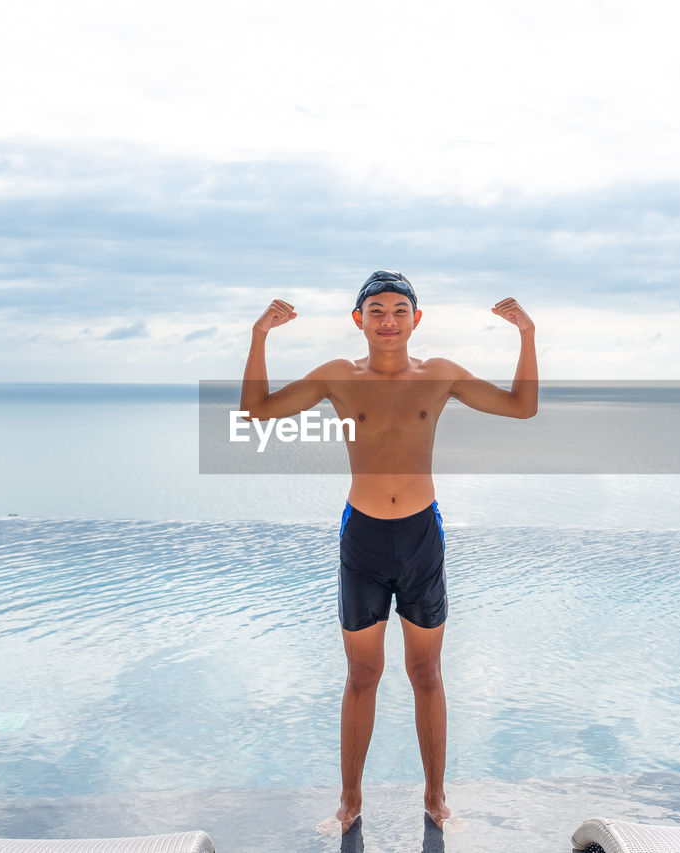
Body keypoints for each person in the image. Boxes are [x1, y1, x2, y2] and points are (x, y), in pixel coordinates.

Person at [238, 270, 537, 835]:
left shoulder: (441, 375)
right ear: (359, 320)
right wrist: (260, 335)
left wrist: (526, 333)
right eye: (376, 310)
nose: (389, 320)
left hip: (421, 536)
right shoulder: (337, 378)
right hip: (365, 538)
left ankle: (436, 798)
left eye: (400, 309)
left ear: (416, 319)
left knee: (426, 672)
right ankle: (349, 801)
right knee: (362, 675)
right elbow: (257, 410)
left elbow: (522, 407)